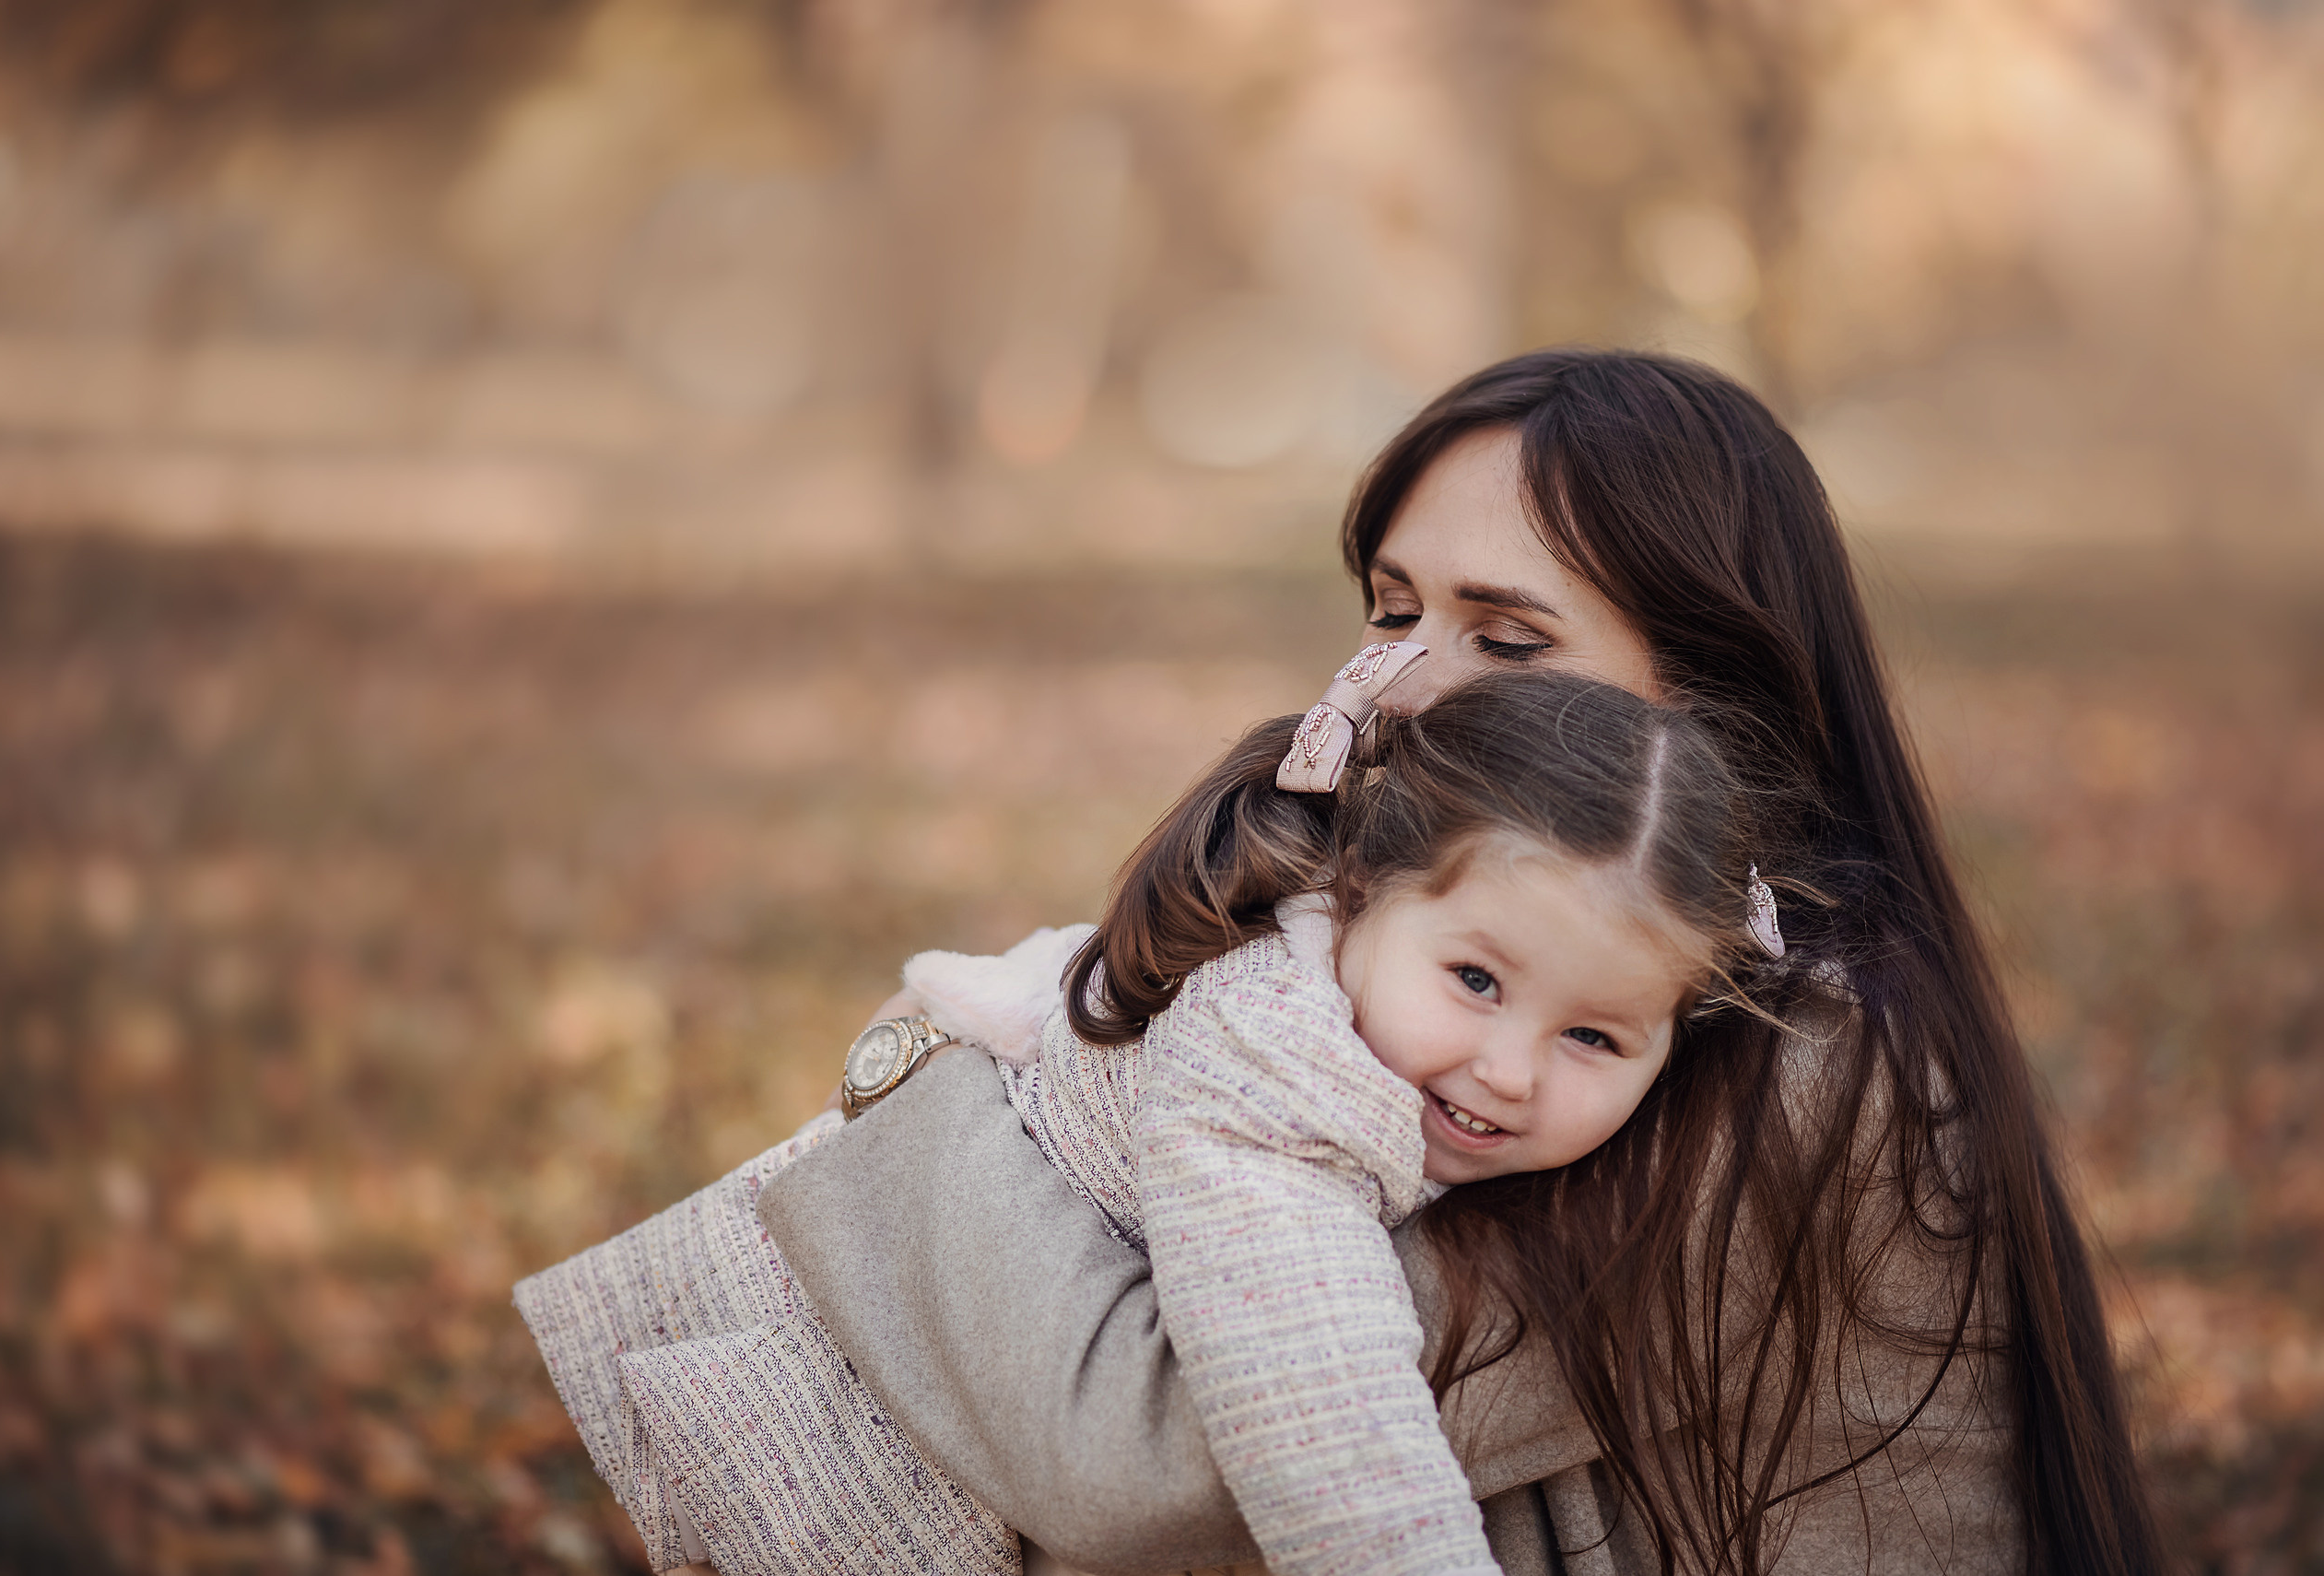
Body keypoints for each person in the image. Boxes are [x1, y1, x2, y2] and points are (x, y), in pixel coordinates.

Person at [754, 349, 2165, 1576]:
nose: (1403, 686)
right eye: (1391, 610)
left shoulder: (1799, 1051)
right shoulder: (1507, 958)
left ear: (1709, 709)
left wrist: (921, 1066)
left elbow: (1138, 1449)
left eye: (1504, 637)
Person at [517, 662, 1780, 1576]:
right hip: (853, 1442)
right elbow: (1327, 1426)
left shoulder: (1352, 995)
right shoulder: (1283, 1084)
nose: (1509, 1069)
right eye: (1477, 980)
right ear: (1359, 896)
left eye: (1594, 1037)